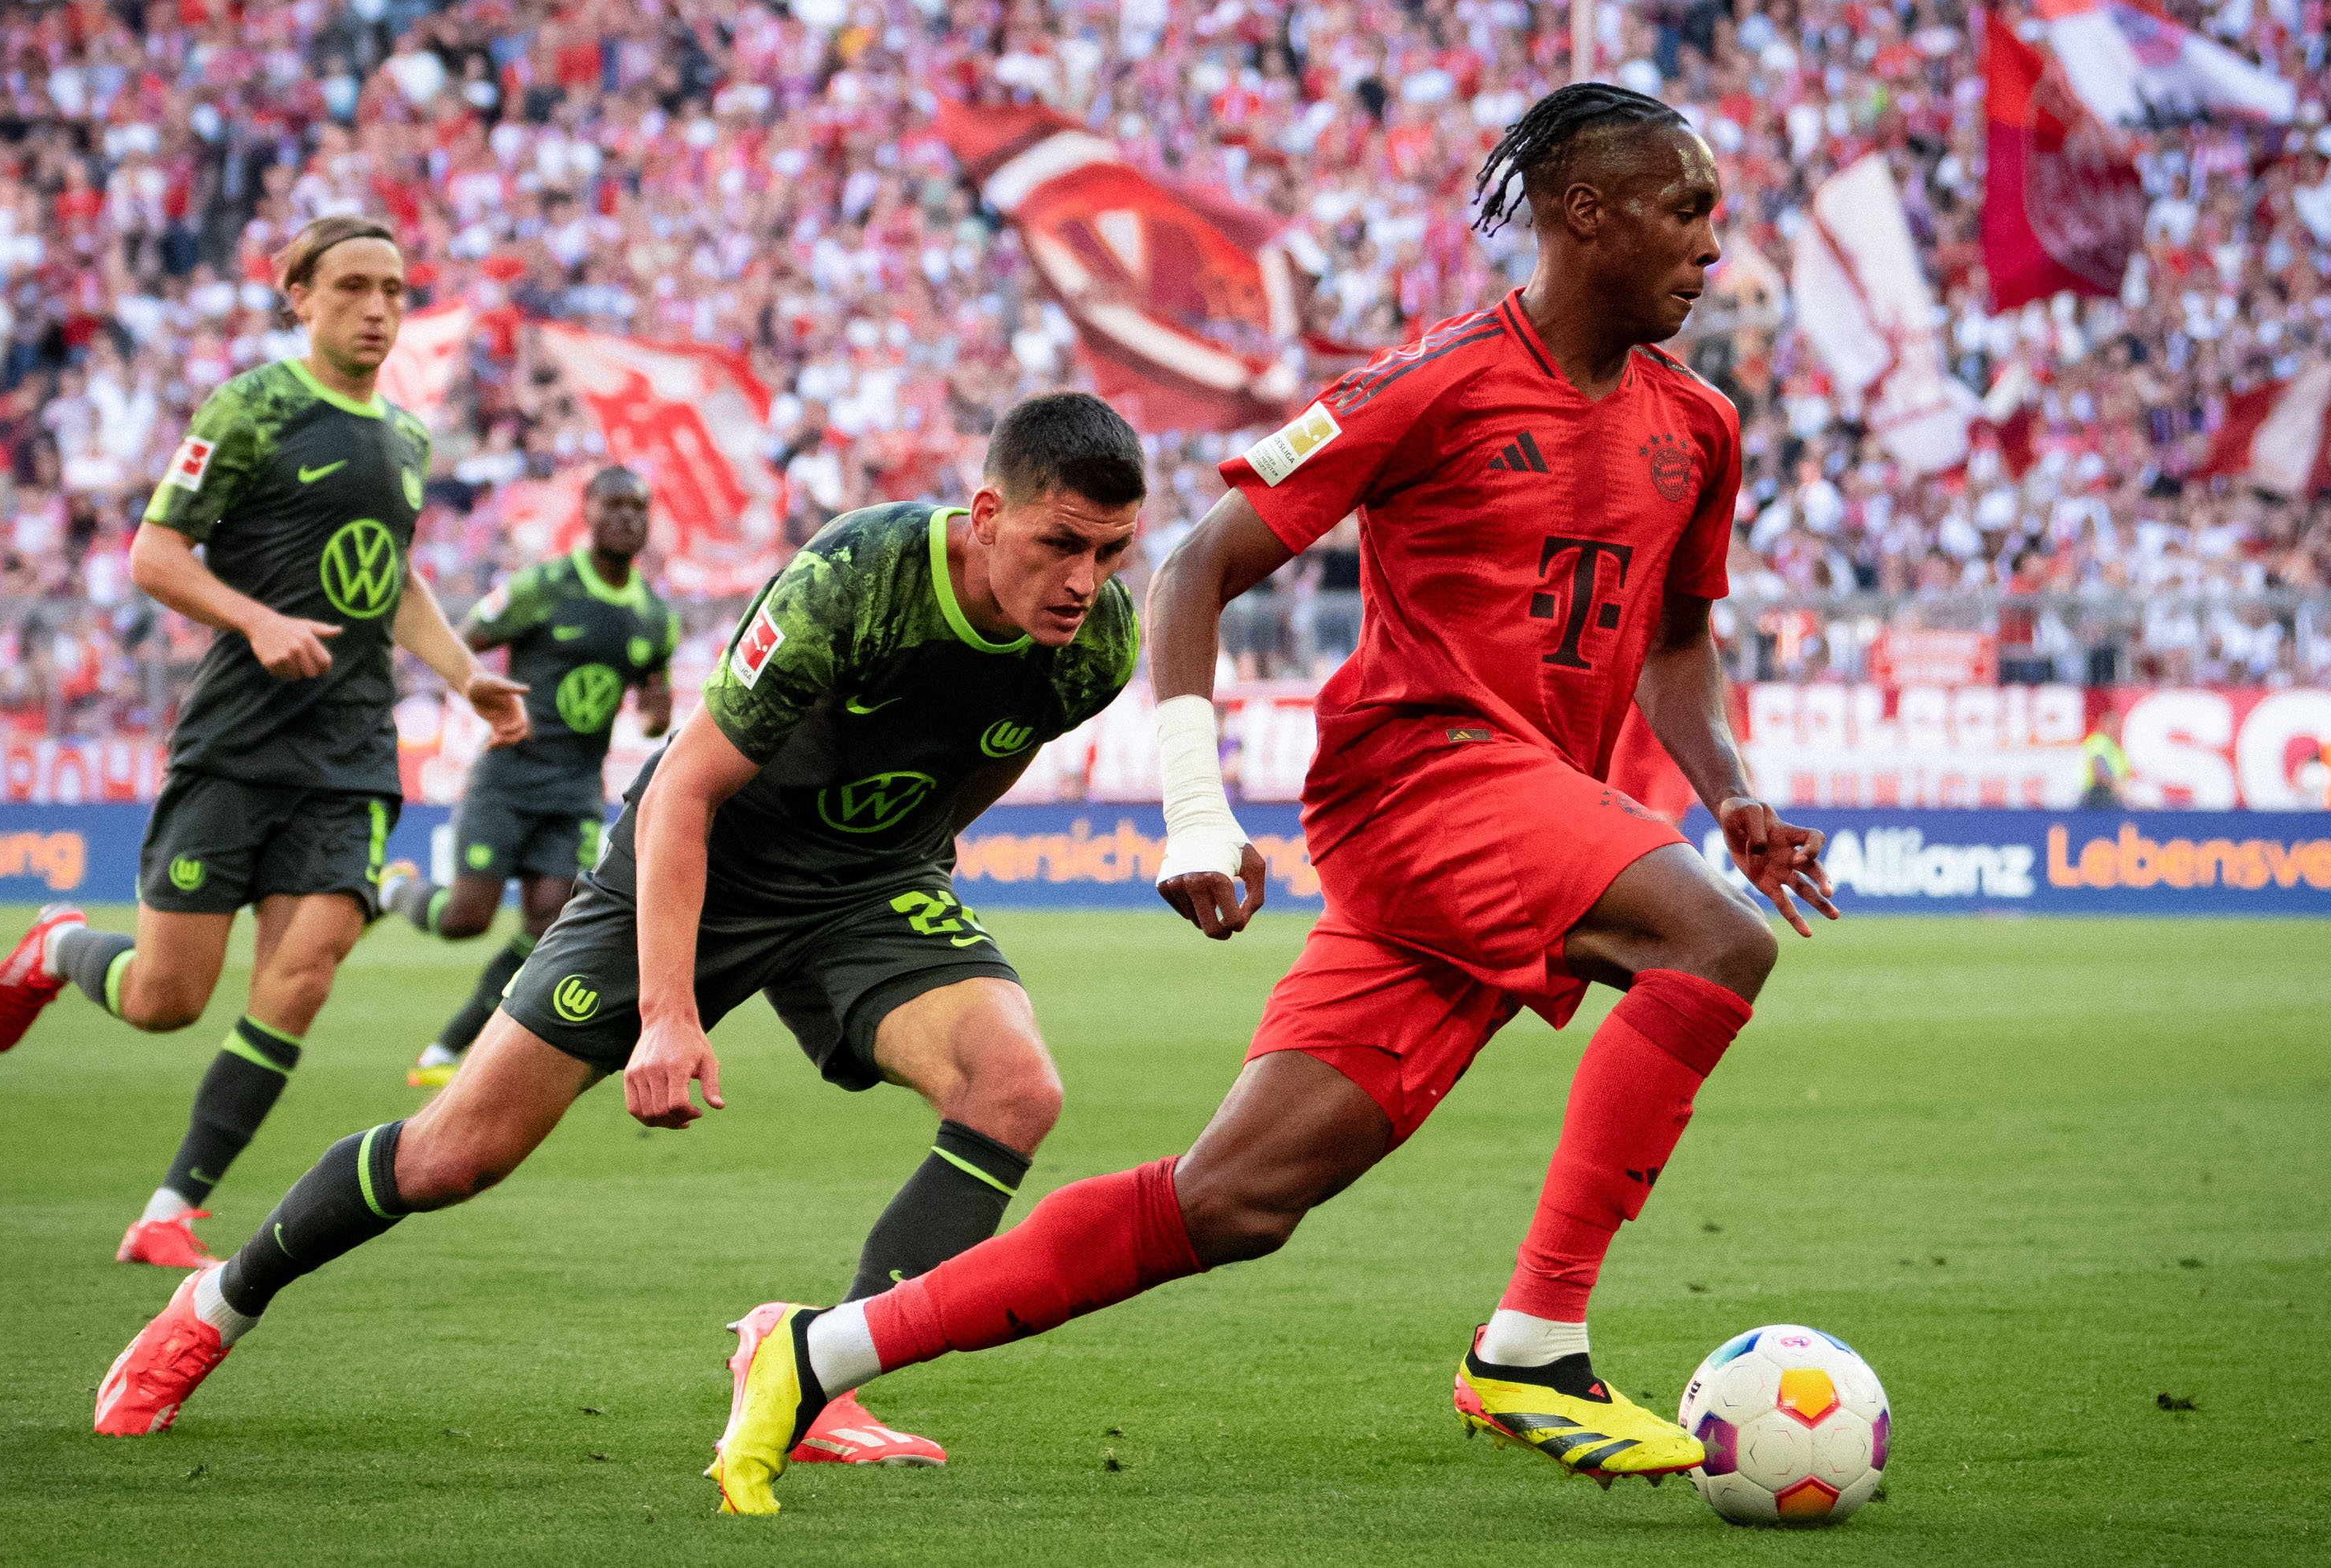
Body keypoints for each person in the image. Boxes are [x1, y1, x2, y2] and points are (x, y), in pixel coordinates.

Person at [708, 83, 1840, 1516]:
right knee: (1714, 941)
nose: (1712, 246)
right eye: (1687, 210)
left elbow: (1678, 642)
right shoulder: (1431, 379)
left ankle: (815, 1350)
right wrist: (1196, 805)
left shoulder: (1700, 425)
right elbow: (1193, 564)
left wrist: (1728, 788)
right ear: (1584, 213)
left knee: (1228, 1200)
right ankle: (1536, 1341)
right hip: (1419, 779)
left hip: (1516, 821)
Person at [86, 392, 1148, 1474]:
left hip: (864, 881)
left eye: (1112, 551)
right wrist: (667, 1016)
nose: (1082, 580)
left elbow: (1005, 740)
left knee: (1014, 1090)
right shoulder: (855, 579)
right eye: (1058, 544)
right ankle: (215, 1304)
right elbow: (683, 791)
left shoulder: (1097, 641)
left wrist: (905, 860)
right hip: (705, 852)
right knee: (457, 1153)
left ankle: (811, 1374)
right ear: (983, 516)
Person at [0, 215, 530, 1268]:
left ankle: (171, 1209)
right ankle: (56, 947)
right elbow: (153, 554)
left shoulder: (405, 439)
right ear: (298, 297)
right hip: (236, 741)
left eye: (394, 290)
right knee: (166, 1000)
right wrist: (257, 619)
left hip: (351, 752)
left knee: (305, 970)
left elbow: (393, 577)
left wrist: (465, 676)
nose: (377, 308)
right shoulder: (255, 407)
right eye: (353, 287)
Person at [379, 465, 678, 1089]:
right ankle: (394, 892)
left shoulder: (655, 617)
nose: (627, 517)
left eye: (638, 507)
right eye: (614, 505)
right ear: (588, 511)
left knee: (549, 924)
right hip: (510, 776)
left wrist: (657, 714)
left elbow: (654, 706)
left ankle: (449, 1048)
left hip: (575, 789)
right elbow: (461, 644)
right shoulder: (544, 586)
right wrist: (481, 693)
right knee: (467, 917)